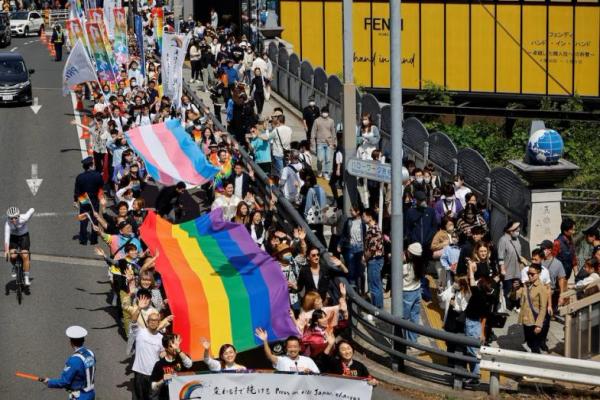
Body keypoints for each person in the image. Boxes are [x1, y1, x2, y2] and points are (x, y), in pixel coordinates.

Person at [39, 326, 96, 399]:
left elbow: (64, 382)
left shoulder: (74, 360)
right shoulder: (90, 353)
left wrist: (49, 382)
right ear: (83, 340)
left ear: (71, 342)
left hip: (79, 396)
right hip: (91, 394)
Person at [510, 263, 548, 353]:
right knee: (528, 343)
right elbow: (515, 297)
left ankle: (536, 363)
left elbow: (543, 308)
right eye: (528, 273)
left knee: (534, 345)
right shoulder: (526, 285)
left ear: (538, 274)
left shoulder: (541, 288)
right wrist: (514, 289)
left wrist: (539, 325)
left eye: (532, 274)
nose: (529, 276)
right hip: (525, 319)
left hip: (534, 321)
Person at [131, 311, 169, 400]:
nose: (153, 322)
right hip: (140, 373)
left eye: (155, 320)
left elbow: (163, 354)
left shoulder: (161, 338)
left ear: (158, 323)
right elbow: (133, 321)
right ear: (147, 322)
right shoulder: (140, 332)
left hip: (154, 375)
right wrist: (139, 308)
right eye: (151, 320)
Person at [255, 329, 320, 373]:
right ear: (286, 349)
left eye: (295, 347)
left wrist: (311, 372)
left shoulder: (308, 360)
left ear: (299, 348)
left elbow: (318, 376)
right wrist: (265, 340)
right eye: (290, 347)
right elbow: (269, 355)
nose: (293, 349)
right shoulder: (281, 360)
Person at [150, 334, 193, 400]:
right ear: (166, 348)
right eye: (171, 346)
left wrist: (178, 350)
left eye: (175, 344)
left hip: (182, 395)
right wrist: (163, 381)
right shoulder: (159, 364)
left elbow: (189, 364)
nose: (174, 347)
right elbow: (153, 386)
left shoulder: (182, 357)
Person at [74, 157, 104, 245]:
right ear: (92, 165)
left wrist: (75, 200)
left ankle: (83, 240)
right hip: (94, 199)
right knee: (95, 218)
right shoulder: (98, 175)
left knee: (84, 219)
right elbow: (101, 185)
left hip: (83, 198)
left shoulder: (80, 177)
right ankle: (94, 239)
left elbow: (77, 191)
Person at [498, 220, 524, 310]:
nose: (518, 233)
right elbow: (500, 256)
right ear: (510, 230)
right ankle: (507, 307)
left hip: (517, 269)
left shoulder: (517, 239)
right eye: (516, 231)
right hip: (507, 270)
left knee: (516, 288)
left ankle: (516, 305)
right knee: (508, 289)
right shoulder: (503, 240)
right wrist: (502, 269)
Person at [4, 207, 34, 285]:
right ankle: (14, 266)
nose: (13, 220)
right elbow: (6, 237)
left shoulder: (24, 218)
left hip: (24, 236)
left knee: (25, 255)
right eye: (11, 218)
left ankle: (26, 277)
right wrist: (7, 250)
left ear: (18, 216)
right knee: (12, 255)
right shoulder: (7, 224)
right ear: (8, 218)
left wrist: (31, 210)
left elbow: (32, 210)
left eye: (15, 217)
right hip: (13, 237)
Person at [402, 243, 425, 343]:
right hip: (417, 291)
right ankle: (413, 340)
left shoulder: (406, 267)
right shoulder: (420, 265)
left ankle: (404, 340)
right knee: (415, 317)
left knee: (404, 318)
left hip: (406, 293)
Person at [311, 105, 336, 179]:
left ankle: (326, 173)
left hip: (329, 143)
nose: (325, 113)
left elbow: (333, 132)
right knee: (320, 159)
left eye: (326, 112)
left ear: (328, 113)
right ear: (321, 112)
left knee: (328, 159)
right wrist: (312, 144)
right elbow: (313, 132)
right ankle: (319, 170)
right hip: (319, 143)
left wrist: (334, 143)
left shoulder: (331, 121)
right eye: (324, 112)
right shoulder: (317, 120)